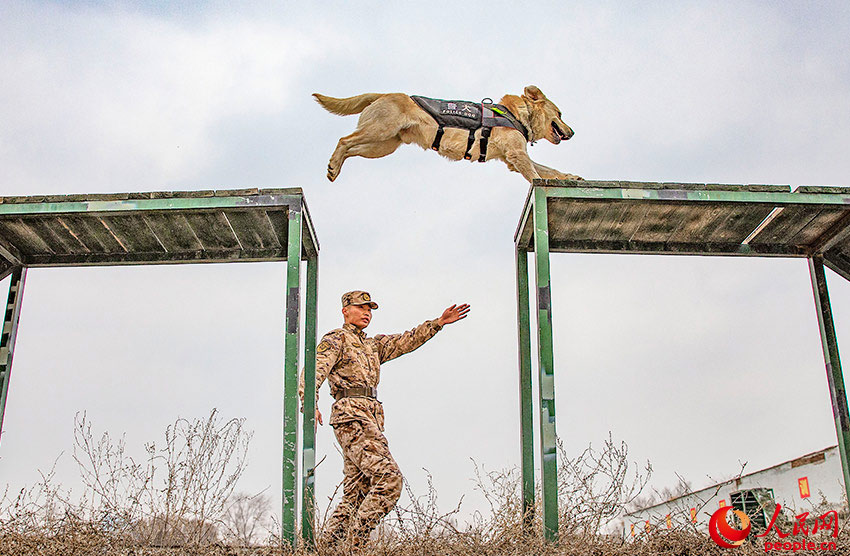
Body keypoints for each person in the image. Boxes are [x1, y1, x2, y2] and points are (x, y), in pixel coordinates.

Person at [299, 290, 470, 548]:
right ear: (345, 310)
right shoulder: (337, 339)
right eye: (361, 307)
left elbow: (405, 341)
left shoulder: (371, 345)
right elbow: (315, 369)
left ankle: (327, 548)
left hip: (370, 416)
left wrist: (438, 323)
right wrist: (309, 402)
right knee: (389, 479)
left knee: (356, 492)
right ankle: (356, 545)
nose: (367, 312)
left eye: (370, 309)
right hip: (351, 416)